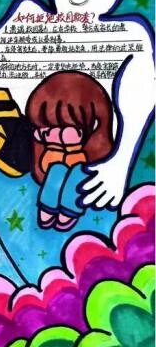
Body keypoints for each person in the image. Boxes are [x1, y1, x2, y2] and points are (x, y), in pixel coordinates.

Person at [26, 71, 114, 230]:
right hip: (54, 178)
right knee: (56, 169)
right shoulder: (49, 152)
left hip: (81, 185)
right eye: (46, 129)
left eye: (66, 128)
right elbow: (44, 169)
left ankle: (70, 210)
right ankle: (47, 208)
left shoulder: (92, 154)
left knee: (78, 172)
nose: (54, 134)